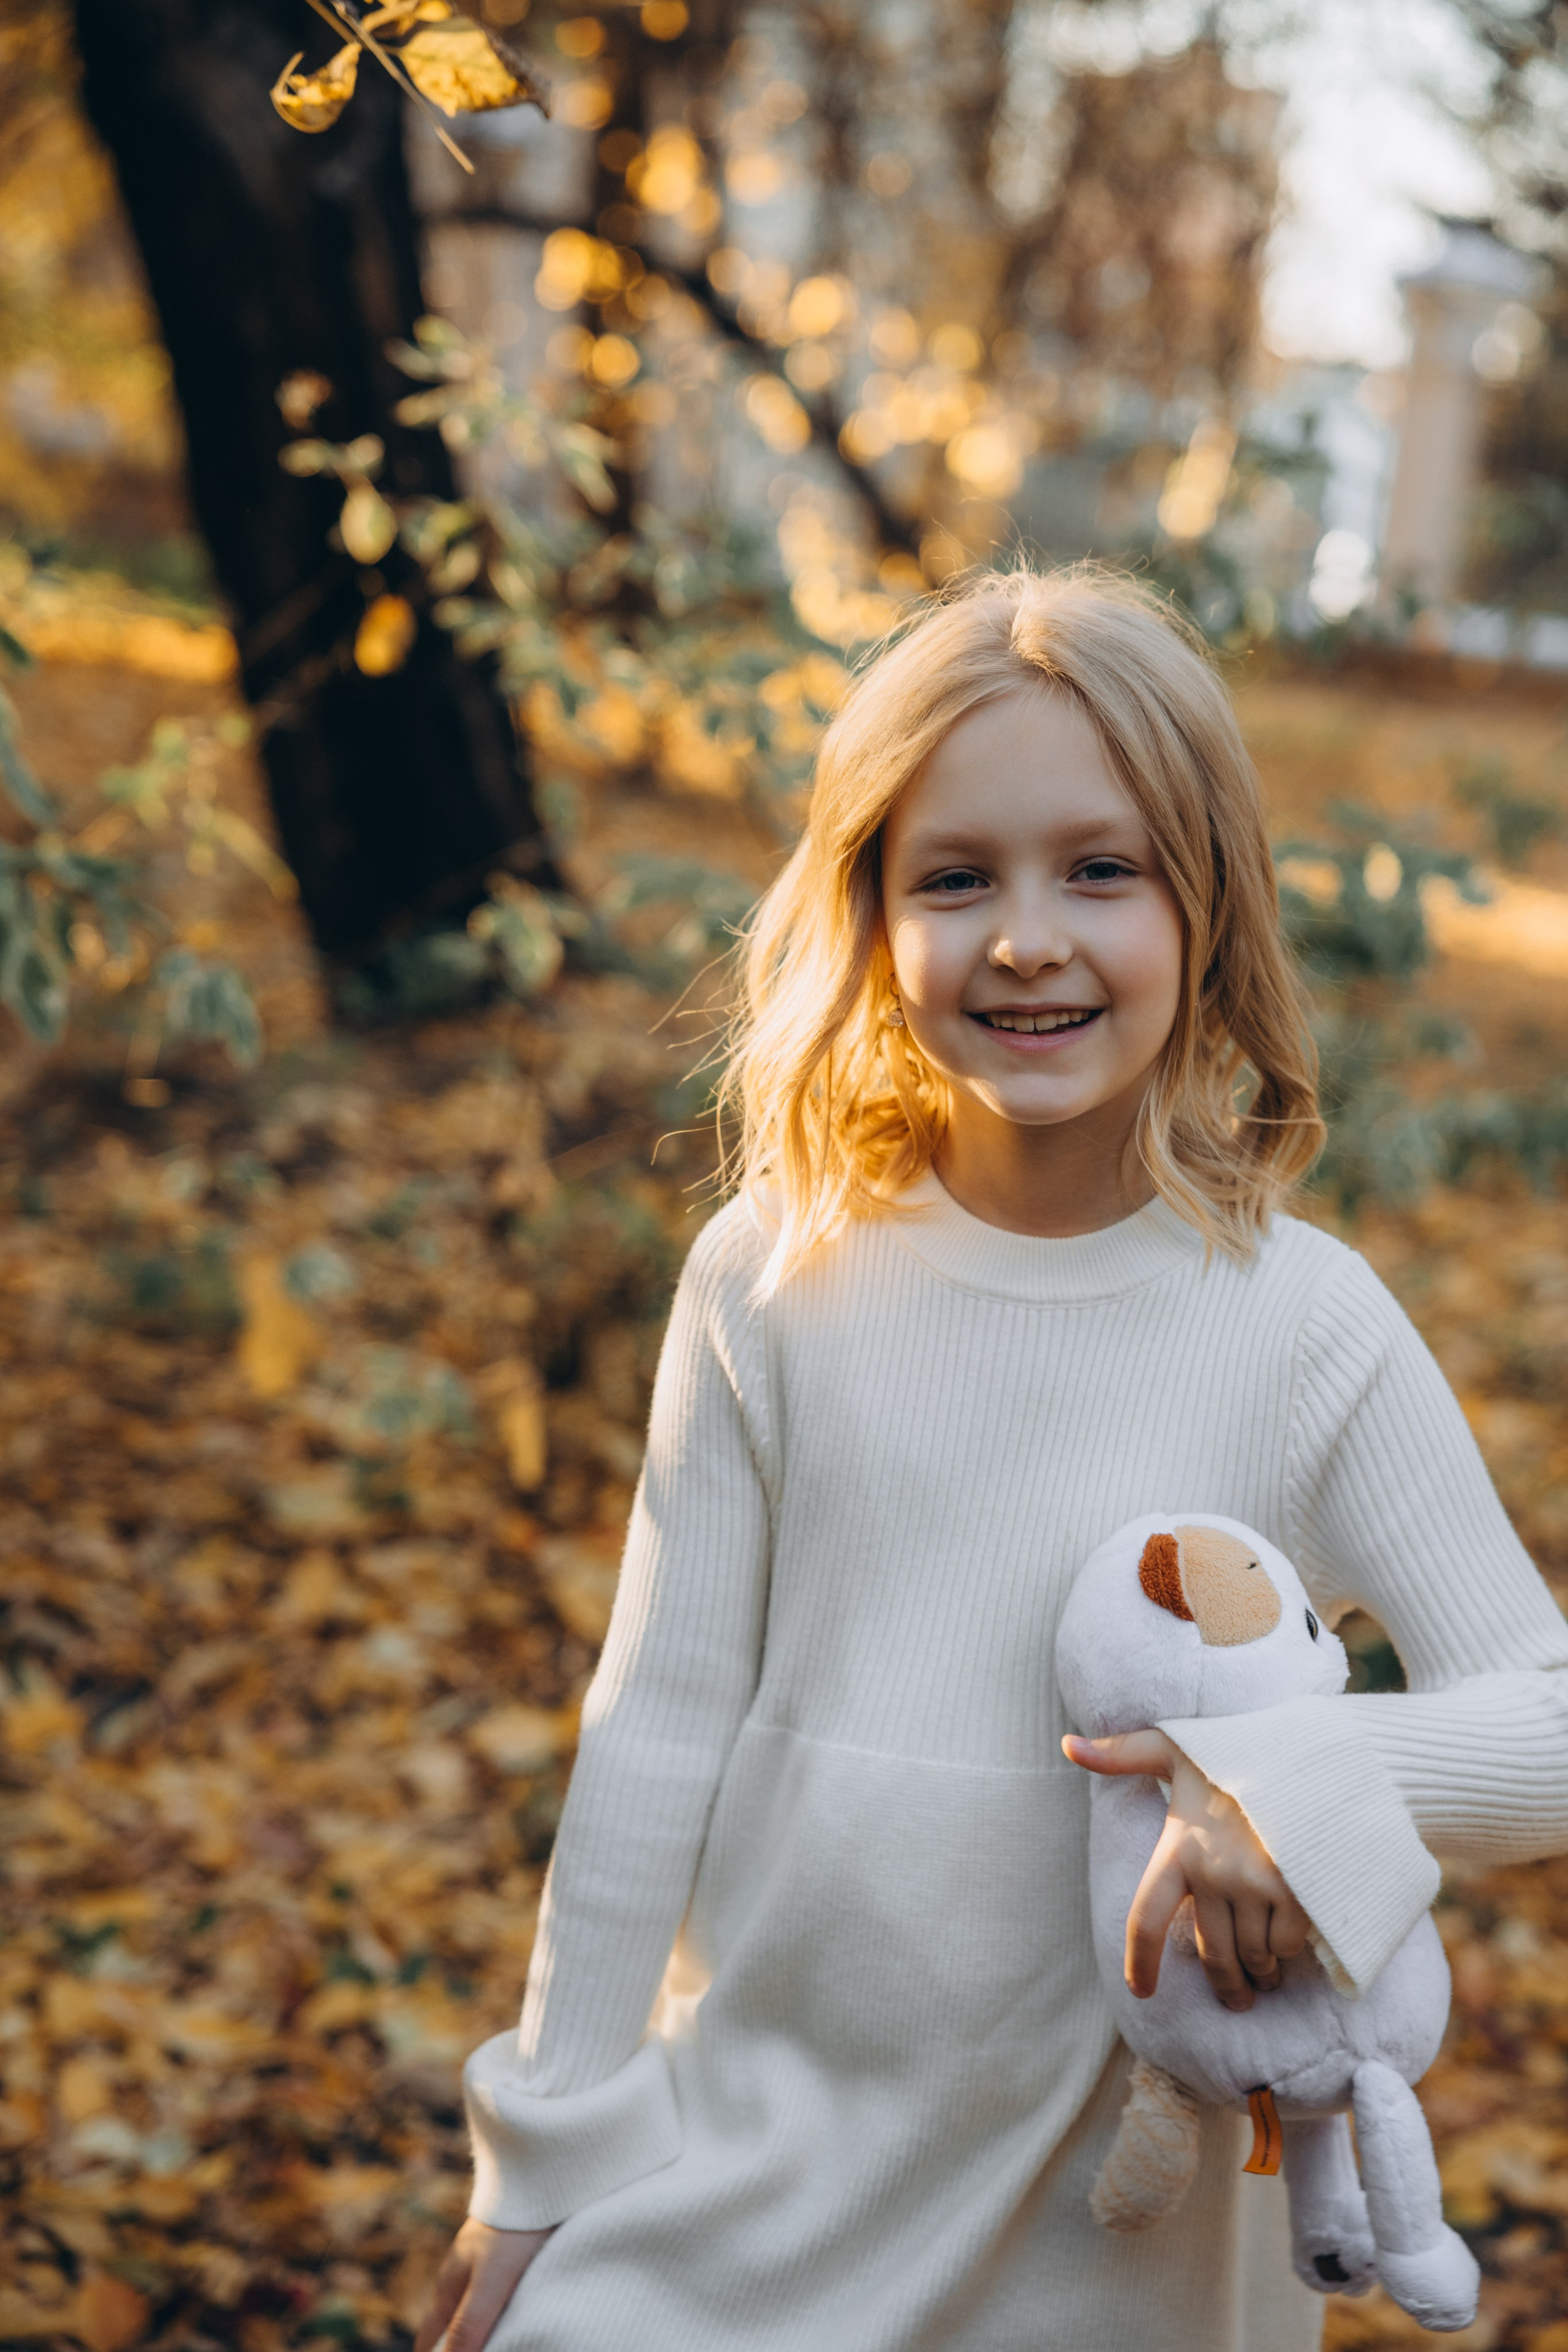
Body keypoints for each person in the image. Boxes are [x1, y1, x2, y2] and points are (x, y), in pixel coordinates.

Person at [417, 570, 1568, 2352]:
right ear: (871, 913)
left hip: (1118, 2237)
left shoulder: (1303, 1325)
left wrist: (1299, 1787)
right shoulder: (772, 1278)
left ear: (1207, 905)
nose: (1027, 937)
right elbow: (655, 1728)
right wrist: (541, 2160)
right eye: (956, 877)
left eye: (1100, 871)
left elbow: (1548, 1726)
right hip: (756, 2180)